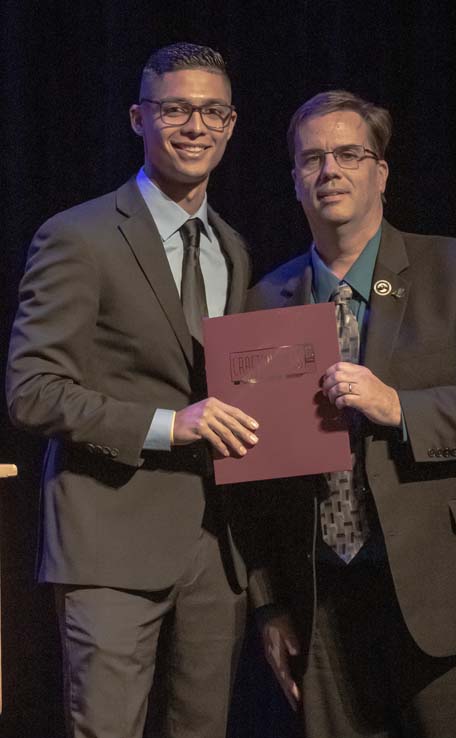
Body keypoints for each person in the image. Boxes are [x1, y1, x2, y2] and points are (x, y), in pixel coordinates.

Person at [244, 90, 456, 738]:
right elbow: (260, 482)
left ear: (381, 171)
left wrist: (399, 408)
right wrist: (270, 604)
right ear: (295, 181)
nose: (330, 170)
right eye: (313, 158)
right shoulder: (262, 303)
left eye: (349, 154)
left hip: (455, 603)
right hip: (325, 612)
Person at [6, 43, 260, 738]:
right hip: (109, 541)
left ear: (232, 124)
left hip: (216, 549)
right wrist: (168, 425)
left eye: (212, 111)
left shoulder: (232, 247)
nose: (194, 126)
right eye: (174, 108)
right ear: (137, 118)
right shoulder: (77, 236)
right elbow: (30, 390)